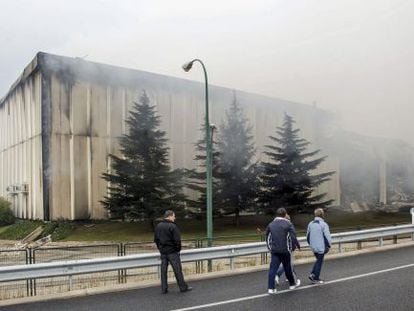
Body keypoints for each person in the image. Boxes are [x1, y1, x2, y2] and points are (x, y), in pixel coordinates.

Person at [154, 210, 192, 294]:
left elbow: (156, 239)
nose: (175, 218)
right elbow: (177, 240)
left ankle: (164, 289)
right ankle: (183, 287)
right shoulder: (173, 226)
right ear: (170, 216)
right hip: (172, 252)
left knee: (163, 270)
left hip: (163, 252)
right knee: (177, 270)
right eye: (174, 216)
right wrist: (178, 250)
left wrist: (160, 248)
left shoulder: (158, 226)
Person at [266, 208, 301, 294]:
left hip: (275, 251)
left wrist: (270, 249)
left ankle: (271, 288)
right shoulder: (288, 224)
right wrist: (296, 246)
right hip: (286, 250)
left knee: (272, 269)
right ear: (285, 214)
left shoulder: (271, 225)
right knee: (288, 267)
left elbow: (267, 238)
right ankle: (292, 284)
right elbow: (293, 236)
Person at [307, 208, 332, 284]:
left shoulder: (310, 224)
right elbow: (327, 236)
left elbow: (307, 236)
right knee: (319, 262)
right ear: (322, 215)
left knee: (318, 261)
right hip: (321, 247)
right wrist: (329, 246)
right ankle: (315, 277)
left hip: (313, 246)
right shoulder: (323, 224)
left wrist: (311, 244)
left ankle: (313, 274)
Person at [275, 213, 301, 285]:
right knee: (288, 263)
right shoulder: (290, 225)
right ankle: (278, 274)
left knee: (287, 263)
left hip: (282, 247)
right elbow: (293, 237)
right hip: (290, 247)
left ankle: (288, 277)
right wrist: (298, 245)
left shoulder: (280, 226)